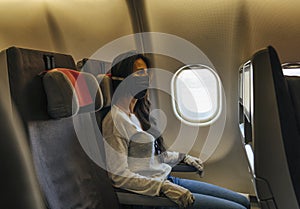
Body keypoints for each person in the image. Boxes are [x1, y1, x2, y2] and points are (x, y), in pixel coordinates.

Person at [102, 51, 250, 209]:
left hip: (166, 180)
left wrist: (182, 157)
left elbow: (150, 159)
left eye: (147, 73)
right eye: (139, 72)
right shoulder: (114, 121)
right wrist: (163, 188)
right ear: (122, 78)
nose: (146, 78)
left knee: (244, 202)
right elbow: (119, 177)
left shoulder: (137, 113)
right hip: (152, 195)